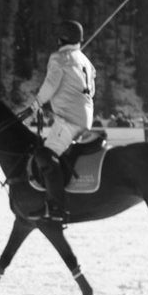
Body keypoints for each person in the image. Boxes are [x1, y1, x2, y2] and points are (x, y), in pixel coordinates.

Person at [26, 22, 95, 218]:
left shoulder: (58, 58)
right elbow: (91, 90)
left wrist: (37, 104)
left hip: (70, 119)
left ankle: (55, 207)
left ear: (61, 39)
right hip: (85, 118)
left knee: (46, 155)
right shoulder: (86, 61)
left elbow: (50, 84)